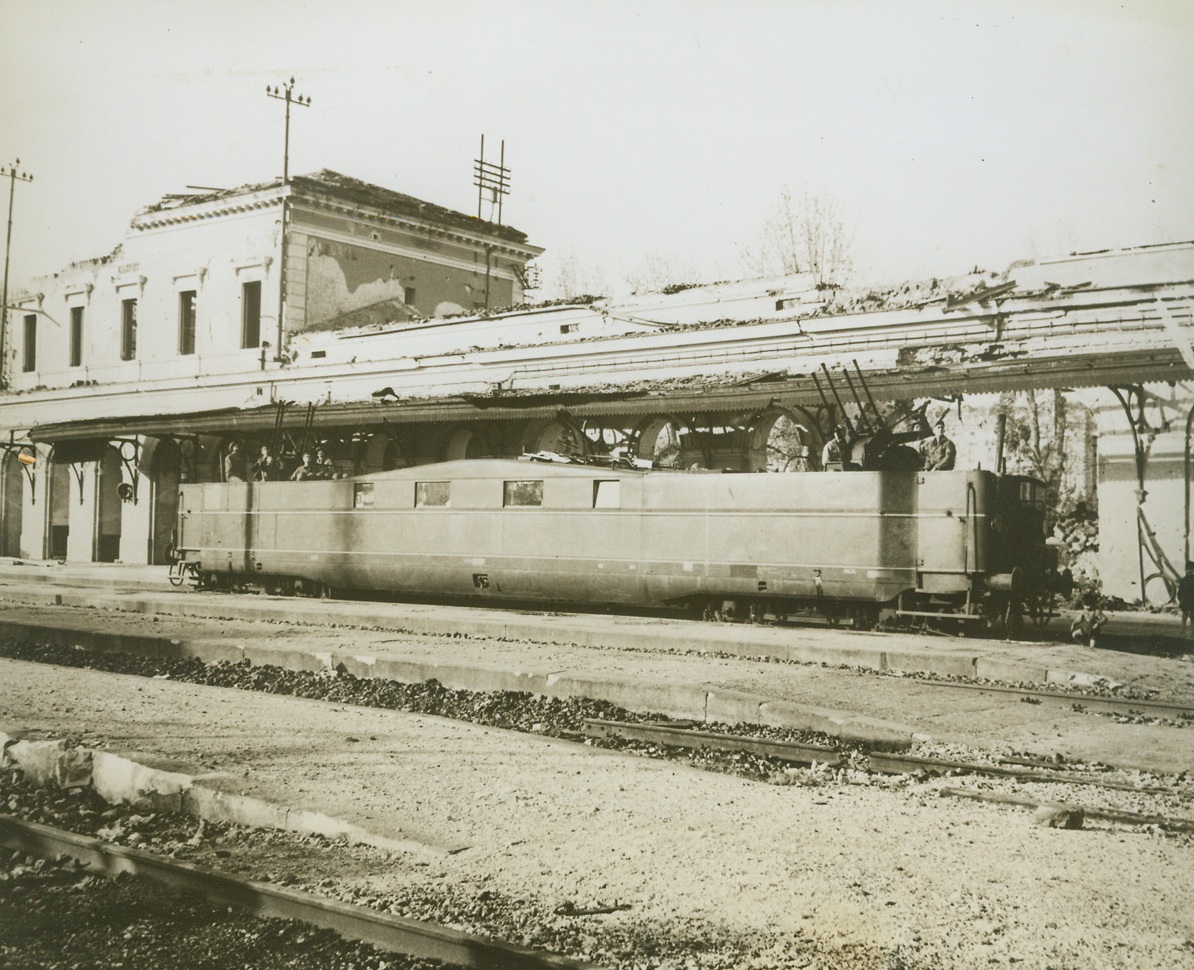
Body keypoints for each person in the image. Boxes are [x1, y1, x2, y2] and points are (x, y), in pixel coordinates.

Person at [1179, 561, 1194, 639]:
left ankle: (1182, 634)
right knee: (1193, 618)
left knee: (1184, 618)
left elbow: (1179, 593)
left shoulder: (1183, 580)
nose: (1189, 571)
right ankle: (1192, 634)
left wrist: (1181, 601)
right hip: (1192, 602)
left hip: (1185, 602)